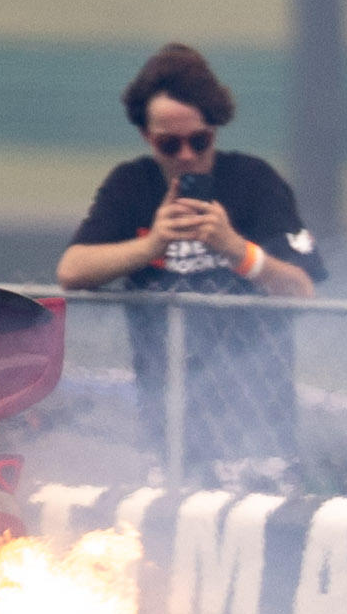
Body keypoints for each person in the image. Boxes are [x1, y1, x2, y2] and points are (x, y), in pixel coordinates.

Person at [58, 42, 321, 490]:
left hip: (258, 430)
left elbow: (302, 288)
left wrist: (237, 250)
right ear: (146, 136)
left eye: (198, 141)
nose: (185, 156)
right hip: (169, 430)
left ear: (215, 128)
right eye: (168, 143)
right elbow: (72, 270)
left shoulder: (254, 181)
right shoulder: (131, 186)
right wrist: (152, 244)